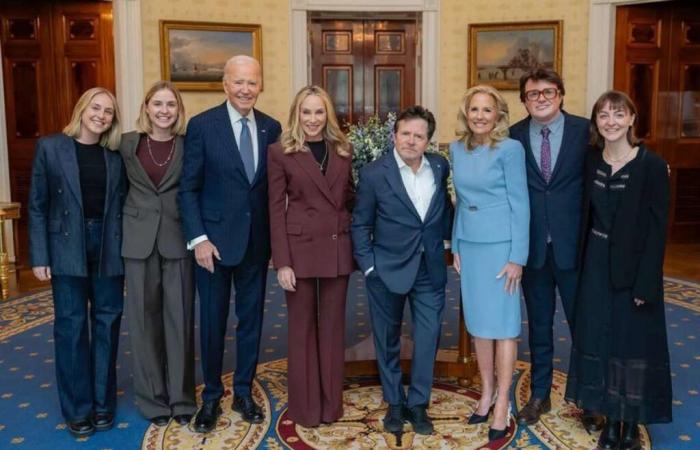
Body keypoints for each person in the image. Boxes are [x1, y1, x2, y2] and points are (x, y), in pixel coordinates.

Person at [178, 55, 282, 433]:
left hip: (256, 246)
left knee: (252, 322)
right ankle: (210, 398)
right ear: (225, 84)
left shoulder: (272, 128)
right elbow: (188, 189)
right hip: (213, 249)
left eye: (252, 82)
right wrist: (199, 239)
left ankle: (242, 392)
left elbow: (271, 189)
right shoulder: (203, 126)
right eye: (238, 82)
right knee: (212, 324)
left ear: (260, 86)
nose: (245, 89)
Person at [565, 91, 672, 450]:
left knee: (631, 343)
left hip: (635, 267)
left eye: (618, 114)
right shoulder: (591, 161)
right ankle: (610, 419)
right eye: (603, 115)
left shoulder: (652, 166)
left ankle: (630, 423)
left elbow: (658, 230)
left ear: (631, 119)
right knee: (601, 337)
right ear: (596, 123)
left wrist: (647, 283)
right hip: (595, 262)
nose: (610, 121)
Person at [28, 87, 125, 437]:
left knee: (107, 325)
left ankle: (102, 405)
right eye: (95, 108)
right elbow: (37, 206)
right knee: (71, 329)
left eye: (108, 111)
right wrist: (39, 255)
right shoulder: (51, 148)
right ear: (82, 109)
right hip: (66, 245)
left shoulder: (115, 155)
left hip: (109, 248)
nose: (101, 115)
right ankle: (78, 409)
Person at [509, 69, 602, 430]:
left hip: (575, 247)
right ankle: (540, 394)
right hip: (533, 248)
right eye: (533, 94)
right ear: (524, 101)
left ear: (561, 95)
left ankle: (591, 399)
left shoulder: (585, 131)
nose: (541, 98)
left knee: (585, 326)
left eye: (548, 92)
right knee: (540, 326)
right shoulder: (514, 136)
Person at [352, 106, 453, 436]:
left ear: (428, 141)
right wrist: (369, 268)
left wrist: (452, 245)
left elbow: (445, 213)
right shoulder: (373, 174)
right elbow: (361, 224)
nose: (411, 140)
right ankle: (395, 402)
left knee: (427, 338)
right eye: (405, 133)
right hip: (386, 270)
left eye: (419, 135)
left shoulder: (439, 167)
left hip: (430, 269)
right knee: (387, 339)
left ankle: (419, 403)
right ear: (394, 135)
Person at [267, 85, 354, 427]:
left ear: (328, 114)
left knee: (333, 330)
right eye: (306, 112)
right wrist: (282, 261)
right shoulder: (280, 152)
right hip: (298, 251)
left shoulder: (344, 150)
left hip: (336, 248)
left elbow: (349, 199)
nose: (313, 119)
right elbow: (275, 209)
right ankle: (305, 408)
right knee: (301, 330)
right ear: (296, 115)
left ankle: (331, 406)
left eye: (319, 112)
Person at [450, 85, 529, 442]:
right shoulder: (456, 148)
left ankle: (503, 404)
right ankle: (485, 393)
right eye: (474, 109)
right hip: (471, 246)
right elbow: (460, 201)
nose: (480, 115)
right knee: (480, 325)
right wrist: (456, 244)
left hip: (502, 247)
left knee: (504, 326)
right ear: (466, 114)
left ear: (498, 114)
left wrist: (518, 257)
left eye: (487, 109)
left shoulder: (510, 149)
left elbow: (521, 203)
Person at [119, 81, 196, 427]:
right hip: (137, 242)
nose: (165, 111)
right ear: (147, 107)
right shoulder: (125, 144)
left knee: (179, 320)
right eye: (158, 104)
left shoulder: (187, 145)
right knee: (143, 321)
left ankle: (181, 399)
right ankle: (152, 401)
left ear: (178, 111)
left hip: (177, 239)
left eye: (171, 105)